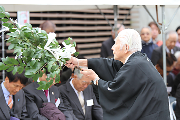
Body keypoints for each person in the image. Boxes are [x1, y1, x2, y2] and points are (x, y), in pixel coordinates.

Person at [66, 29, 170, 120]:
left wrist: (95, 79)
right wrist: (78, 62)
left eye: (115, 43)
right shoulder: (137, 60)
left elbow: (114, 90)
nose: (112, 47)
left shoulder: (135, 65)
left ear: (126, 47)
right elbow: (109, 65)